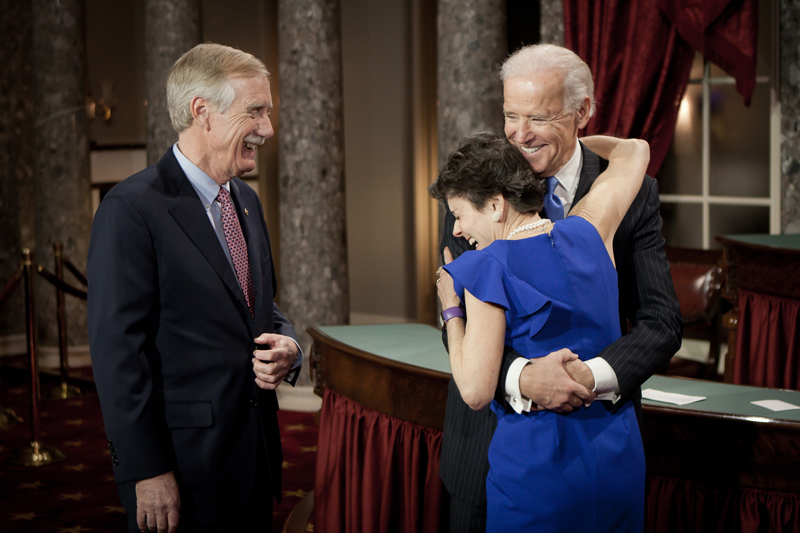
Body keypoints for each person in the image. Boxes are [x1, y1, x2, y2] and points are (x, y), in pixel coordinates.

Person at [438, 44, 682, 531]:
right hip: (488, 453)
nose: (519, 134)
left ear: (582, 112)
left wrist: (587, 379)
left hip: (595, 438)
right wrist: (525, 379)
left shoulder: (630, 196)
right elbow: (635, 149)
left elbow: (661, 323)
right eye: (511, 114)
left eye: (540, 117)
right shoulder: (478, 182)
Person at [87, 43, 302, 533]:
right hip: (180, 469)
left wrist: (288, 343)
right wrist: (146, 469)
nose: (268, 129)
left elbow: (257, 306)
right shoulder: (130, 210)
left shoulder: (246, 201)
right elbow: (119, 355)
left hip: (252, 453)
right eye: (256, 112)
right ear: (201, 112)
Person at [431, 131, 650, 531]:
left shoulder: (486, 267)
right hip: (618, 459)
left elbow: (476, 391)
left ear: (496, 205)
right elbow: (635, 151)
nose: (458, 231)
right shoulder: (590, 229)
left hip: (540, 473)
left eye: (460, 214)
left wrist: (452, 308)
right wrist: (556, 133)